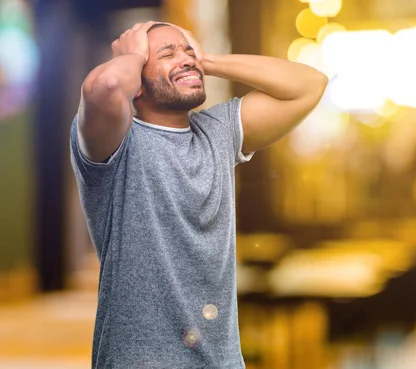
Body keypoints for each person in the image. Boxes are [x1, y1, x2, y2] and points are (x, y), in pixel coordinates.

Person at [70, 21, 328, 368]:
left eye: (187, 49)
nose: (185, 58)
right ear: (137, 81)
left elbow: (309, 85)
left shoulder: (216, 133)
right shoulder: (116, 144)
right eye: (166, 53)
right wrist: (133, 53)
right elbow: (107, 84)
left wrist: (206, 59)